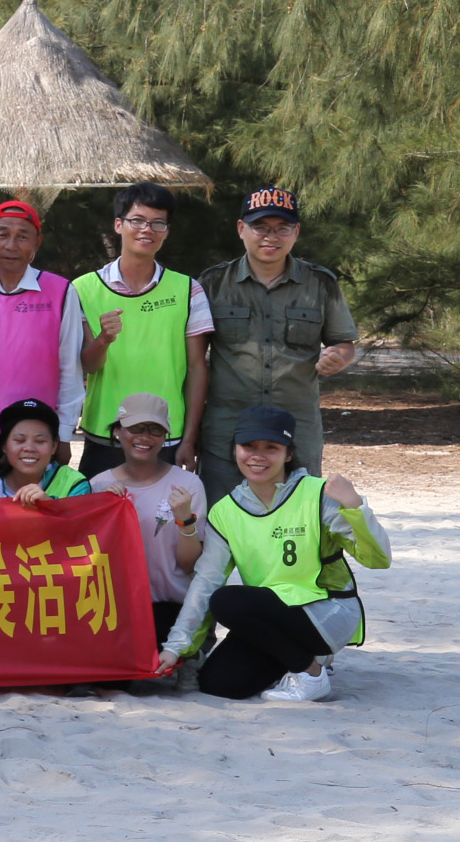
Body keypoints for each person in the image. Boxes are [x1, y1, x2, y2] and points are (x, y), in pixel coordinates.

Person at [159, 406, 392, 701]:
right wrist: (176, 646)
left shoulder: (320, 494)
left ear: (288, 454)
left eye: (271, 447)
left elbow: (378, 559)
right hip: (272, 618)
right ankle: (302, 659)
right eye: (248, 446)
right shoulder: (225, 511)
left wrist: (356, 507)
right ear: (235, 450)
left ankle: (310, 672)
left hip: (327, 611)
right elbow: (206, 580)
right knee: (218, 684)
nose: (258, 456)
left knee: (227, 601)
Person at [198, 187, 361, 500]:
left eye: (282, 228)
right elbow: (192, 359)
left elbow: (344, 343)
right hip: (227, 428)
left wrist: (339, 357)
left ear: (296, 232)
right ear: (241, 229)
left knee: (297, 516)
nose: (270, 237)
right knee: (221, 517)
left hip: (297, 429)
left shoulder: (320, 283)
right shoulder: (212, 283)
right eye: (260, 227)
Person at [74, 180, 213, 475]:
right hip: (105, 433)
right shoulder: (82, 289)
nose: (147, 230)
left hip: (166, 434)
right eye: (137, 220)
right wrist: (104, 339)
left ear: (167, 231)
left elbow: (197, 367)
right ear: (118, 224)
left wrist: (189, 439)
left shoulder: (188, 290)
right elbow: (87, 365)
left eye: (158, 223)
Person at [0, 200, 84, 467]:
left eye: (22, 236)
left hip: (35, 434)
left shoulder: (61, 291)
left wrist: (64, 434)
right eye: (2, 235)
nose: (11, 245)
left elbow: (70, 367)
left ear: (37, 242)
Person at [89, 392, 208, 644]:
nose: (144, 437)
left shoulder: (188, 484)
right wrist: (102, 508)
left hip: (170, 607)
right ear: (117, 432)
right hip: (116, 607)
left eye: (155, 430)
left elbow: (189, 565)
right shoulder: (97, 485)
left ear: (165, 437)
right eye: (135, 428)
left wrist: (185, 520)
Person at [0, 398, 91, 506]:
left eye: (40, 441)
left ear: (54, 446)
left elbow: (80, 516)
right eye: (20, 440)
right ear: (4, 445)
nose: (29, 448)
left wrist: (49, 506)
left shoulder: (73, 483)